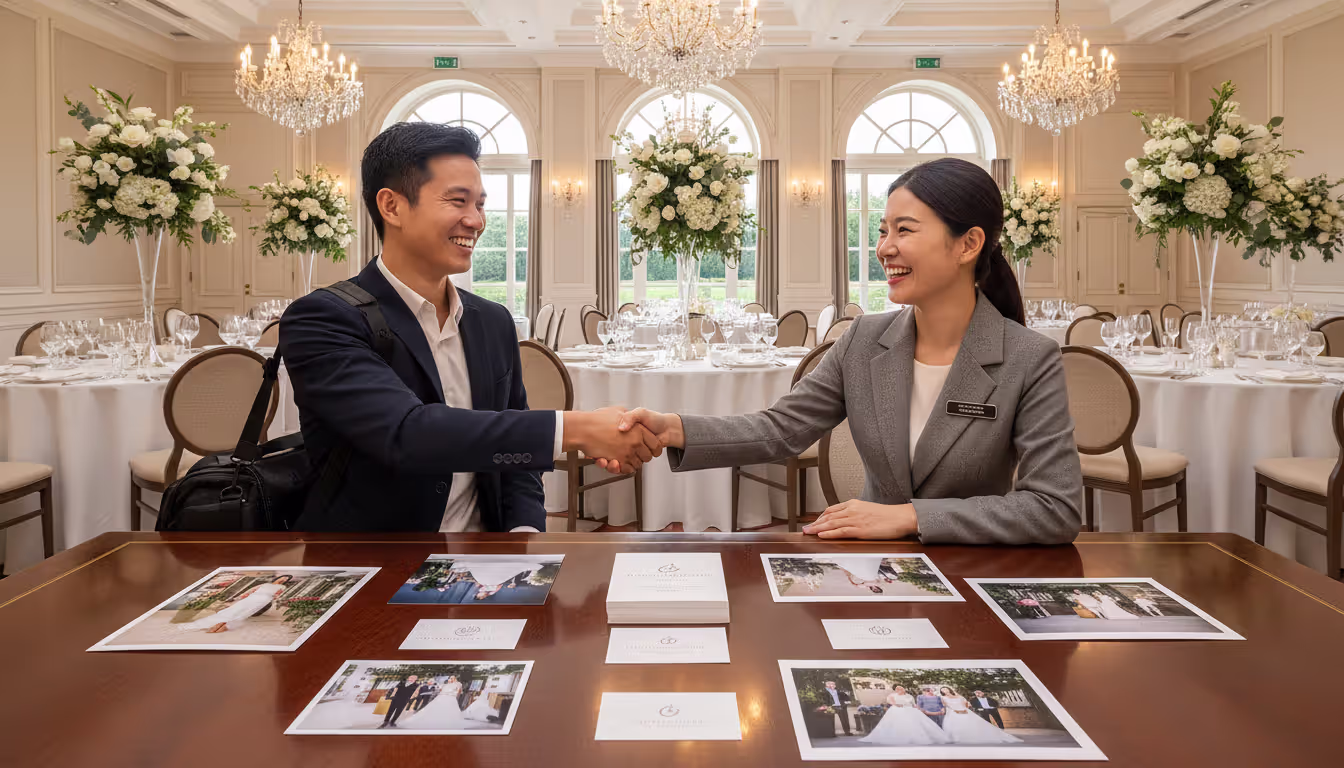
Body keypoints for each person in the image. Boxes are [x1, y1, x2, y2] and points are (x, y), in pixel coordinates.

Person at [600, 158, 1082, 545]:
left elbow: (1054, 508)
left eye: (905, 230)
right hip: (876, 574)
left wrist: (910, 518)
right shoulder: (863, 339)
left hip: (975, 574)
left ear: (969, 243)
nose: (884, 248)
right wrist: (674, 429)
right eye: (882, 230)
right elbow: (780, 430)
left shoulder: (1029, 358)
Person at [280, 121, 660, 533]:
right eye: (458, 201)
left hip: (488, 558)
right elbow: (407, 433)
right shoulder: (323, 318)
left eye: (479, 204)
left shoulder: (492, 321)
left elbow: (516, 460)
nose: (476, 221)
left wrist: (524, 535)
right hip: (374, 560)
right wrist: (579, 428)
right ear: (391, 206)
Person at [176, 575, 292, 634]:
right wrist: (240, 597)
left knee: (245, 613)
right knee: (234, 609)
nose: (284, 580)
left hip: (263, 600)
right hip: (253, 597)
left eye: (286, 579)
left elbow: (278, 595)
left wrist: (274, 598)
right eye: (283, 577)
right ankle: (216, 623)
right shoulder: (266, 583)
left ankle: (226, 626)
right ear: (279, 577)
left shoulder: (283, 587)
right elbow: (251, 590)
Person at [859, 686, 950, 745]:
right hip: (898, 710)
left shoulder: (909, 696)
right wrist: (897, 705)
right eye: (898, 688)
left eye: (901, 688)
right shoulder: (892, 695)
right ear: (895, 690)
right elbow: (891, 702)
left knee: (916, 724)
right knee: (900, 724)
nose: (900, 690)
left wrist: (918, 709)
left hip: (910, 710)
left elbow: (914, 704)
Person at [939, 687, 1021, 744]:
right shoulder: (943, 698)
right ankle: (957, 738)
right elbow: (946, 706)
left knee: (972, 724)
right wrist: (955, 710)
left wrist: (964, 708)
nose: (945, 691)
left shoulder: (958, 696)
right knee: (956, 725)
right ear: (942, 692)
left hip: (964, 710)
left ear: (948, 689)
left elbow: (966, 703)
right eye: (943, 690)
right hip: (954, 712)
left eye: (945, 689)